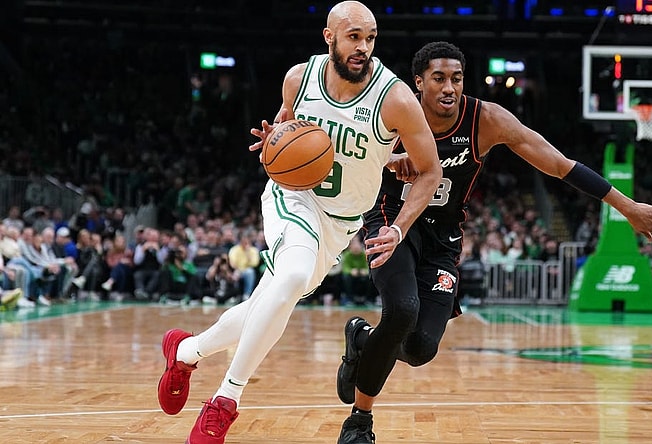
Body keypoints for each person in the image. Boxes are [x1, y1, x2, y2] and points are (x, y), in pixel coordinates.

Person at [334, 41, 652, 443]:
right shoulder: (393, 110)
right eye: (439, 78)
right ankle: (359, 422)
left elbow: (559, 165)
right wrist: (385, 159)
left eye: (456, 78)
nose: (449, 87)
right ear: (419, 83)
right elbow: (346, 153)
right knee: (401, 311)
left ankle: (361, 339)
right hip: (393, 222)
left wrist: (628, 207)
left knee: (420, 348)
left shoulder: (486, 120)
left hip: (443, 238)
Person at [155, 2, 441, 444]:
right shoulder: (299, 79)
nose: (363, 47)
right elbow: (288, 136)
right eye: (353, 37)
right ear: (329, 37)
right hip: (292, 198)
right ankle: (226, 400)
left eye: (370, 38)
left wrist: (397, 225)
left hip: (340, 224)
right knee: (289, 277)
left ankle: (185, 351)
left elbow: (430, 172)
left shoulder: (396, 99)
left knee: (271, 300)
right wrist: (274, 141)